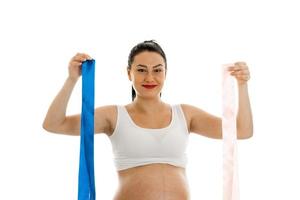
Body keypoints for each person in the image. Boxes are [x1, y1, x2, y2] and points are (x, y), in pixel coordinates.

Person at [42, 40, 253, 200]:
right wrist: (72, 79)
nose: (149, 78)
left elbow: (242, 130)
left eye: (157, 70)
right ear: (129, 73)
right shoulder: (113, 116)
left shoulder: (186, 115)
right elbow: (53, 124)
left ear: (166, 73)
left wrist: (242, 85)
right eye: (141, 70)